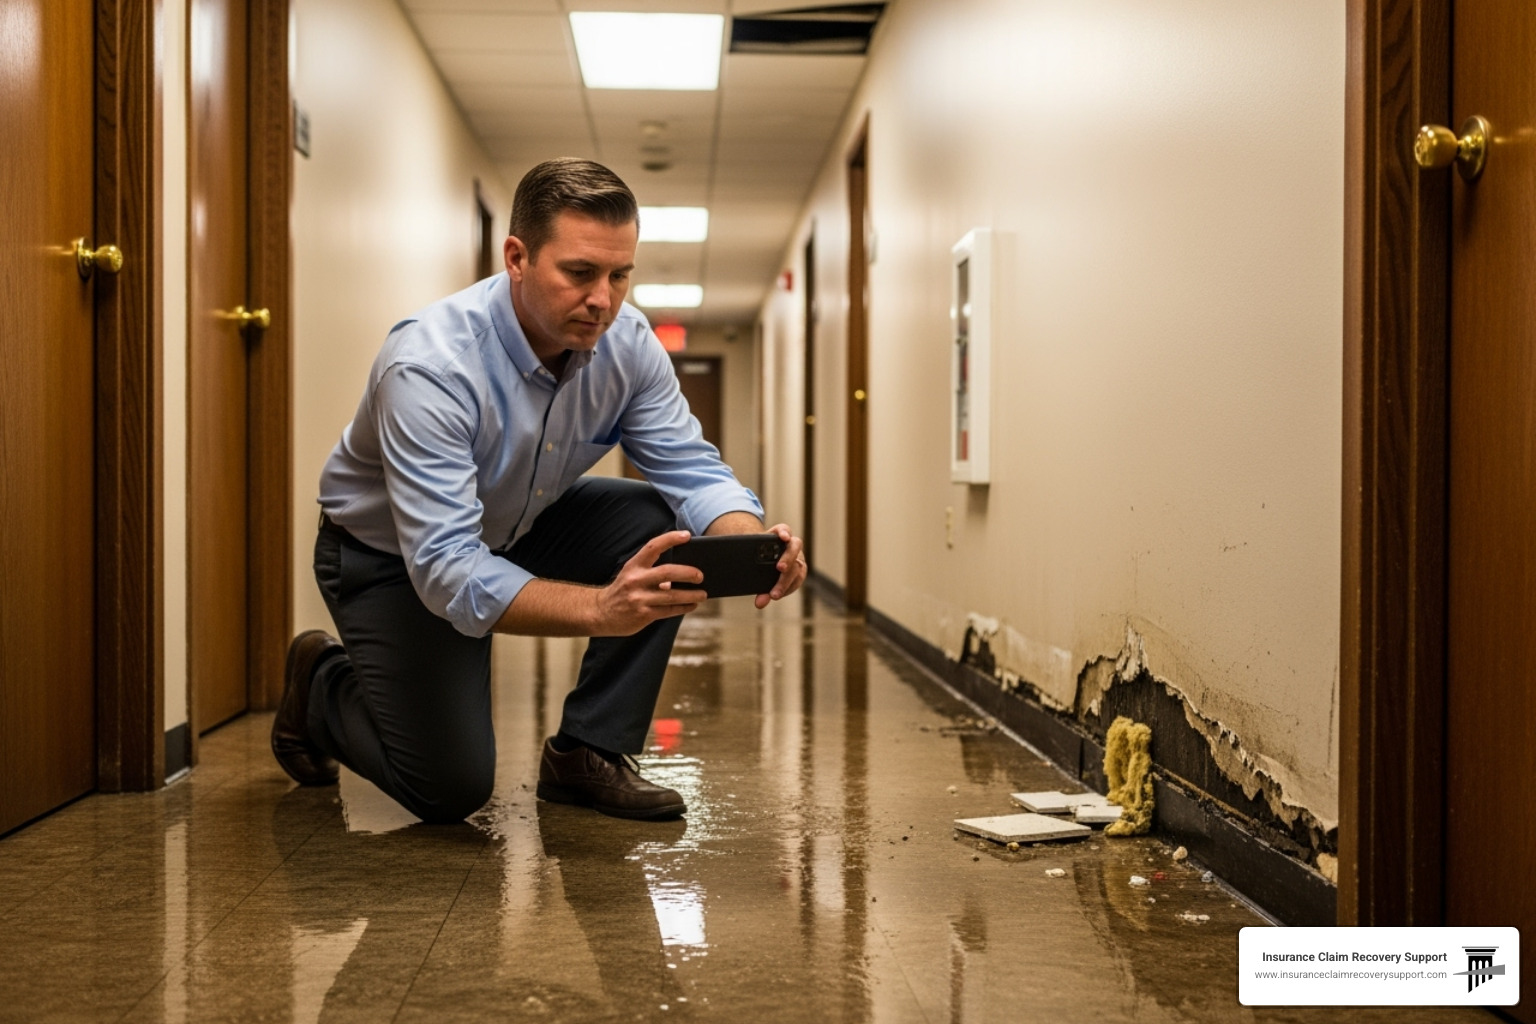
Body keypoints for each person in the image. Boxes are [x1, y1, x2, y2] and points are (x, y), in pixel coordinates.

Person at [271, 158, 807, 824]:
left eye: (619, 275)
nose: (603, 299)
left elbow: (690, 469)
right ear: (517, 258)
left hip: (519, 524)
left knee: (656, 523)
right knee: (448, 788)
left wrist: (752, 545)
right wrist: (600, 608)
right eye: (580, 273)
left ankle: (589, 751)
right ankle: (320, 683)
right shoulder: (430, 367)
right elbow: (446, 568)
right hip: (391, 557)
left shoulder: (627, 343)